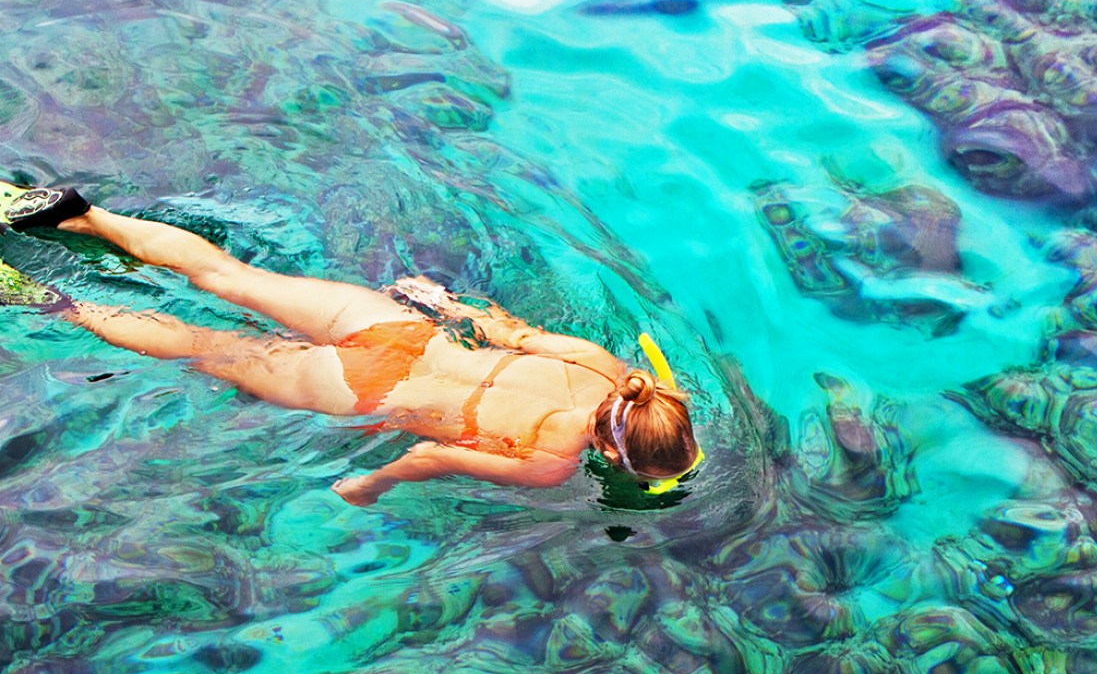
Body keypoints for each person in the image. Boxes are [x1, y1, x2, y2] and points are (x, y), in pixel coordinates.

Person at [0, 183, 703, 506]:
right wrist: (373, 483)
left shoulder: (602, 366)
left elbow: (508, 331)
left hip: (399, 330)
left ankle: (87, 213)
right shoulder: (550, 463)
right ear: (616, 455)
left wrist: (444, 304)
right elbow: (431, 454)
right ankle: (47, 299)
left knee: (228, 275)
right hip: (373, 385)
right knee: (202, 346)